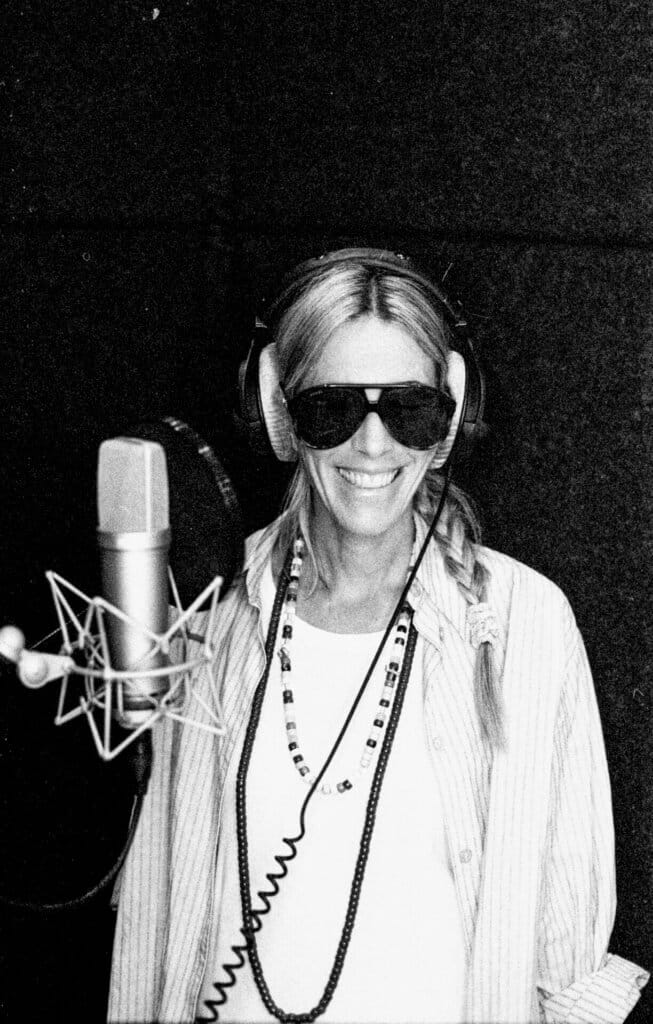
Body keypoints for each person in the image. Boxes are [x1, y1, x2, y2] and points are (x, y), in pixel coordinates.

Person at [108, 248, 648, 1024]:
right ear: (277, 408)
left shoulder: (526, 621)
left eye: (408, 409)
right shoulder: (203, 610)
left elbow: (563, 965)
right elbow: (151, 923)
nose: (372, 446)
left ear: (451, 411)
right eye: (331, 408)